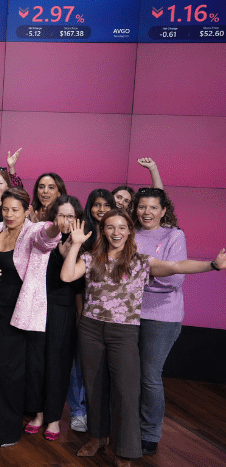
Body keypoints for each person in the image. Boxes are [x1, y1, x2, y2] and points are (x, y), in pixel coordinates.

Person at [61, 211, 225, 464]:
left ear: (129, 231)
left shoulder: (141, 261)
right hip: (91, 329)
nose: (116, 232)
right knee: (94, 386)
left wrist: (212, 265)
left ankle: (124, 449)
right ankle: (98, 436)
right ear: (103, 231)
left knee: (126, 391)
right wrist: (75, 244)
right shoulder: (91, 257)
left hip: (124, 332)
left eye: (122, 227)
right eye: (110, 227)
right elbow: (67, 276)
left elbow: (176, 266)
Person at [0, 188, 61, 447]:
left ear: (27, 210)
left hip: (16, 311)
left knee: (7, 370)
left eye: (15, 210)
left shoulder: (33, 231)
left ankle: (6, 431)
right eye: (5, 209)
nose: (9, 214)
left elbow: (46, 239)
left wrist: (56, 228)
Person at [23, 195, 85, 441]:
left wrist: (71, 250)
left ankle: (54, 418)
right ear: (53, 216)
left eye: (71, 216)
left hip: (64, 311)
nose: (66, 220)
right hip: (38, 306)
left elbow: (78, 284)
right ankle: (38, 414)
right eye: (61, 215)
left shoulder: (83, 242)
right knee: (36, 363)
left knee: (58, 366)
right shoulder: (43, 236)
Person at [132, 188, 187, 456]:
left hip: (162, 317)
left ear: (163, 210)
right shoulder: (129, 233)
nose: (147, 212)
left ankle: (150, 433)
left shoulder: (174, 235)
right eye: (142, 207)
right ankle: (128, 427)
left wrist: (142, 278)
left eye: (153, 207)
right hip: (129, 314)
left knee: (150, 376)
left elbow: (175, 280)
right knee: (129, 375)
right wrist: (154, 270)